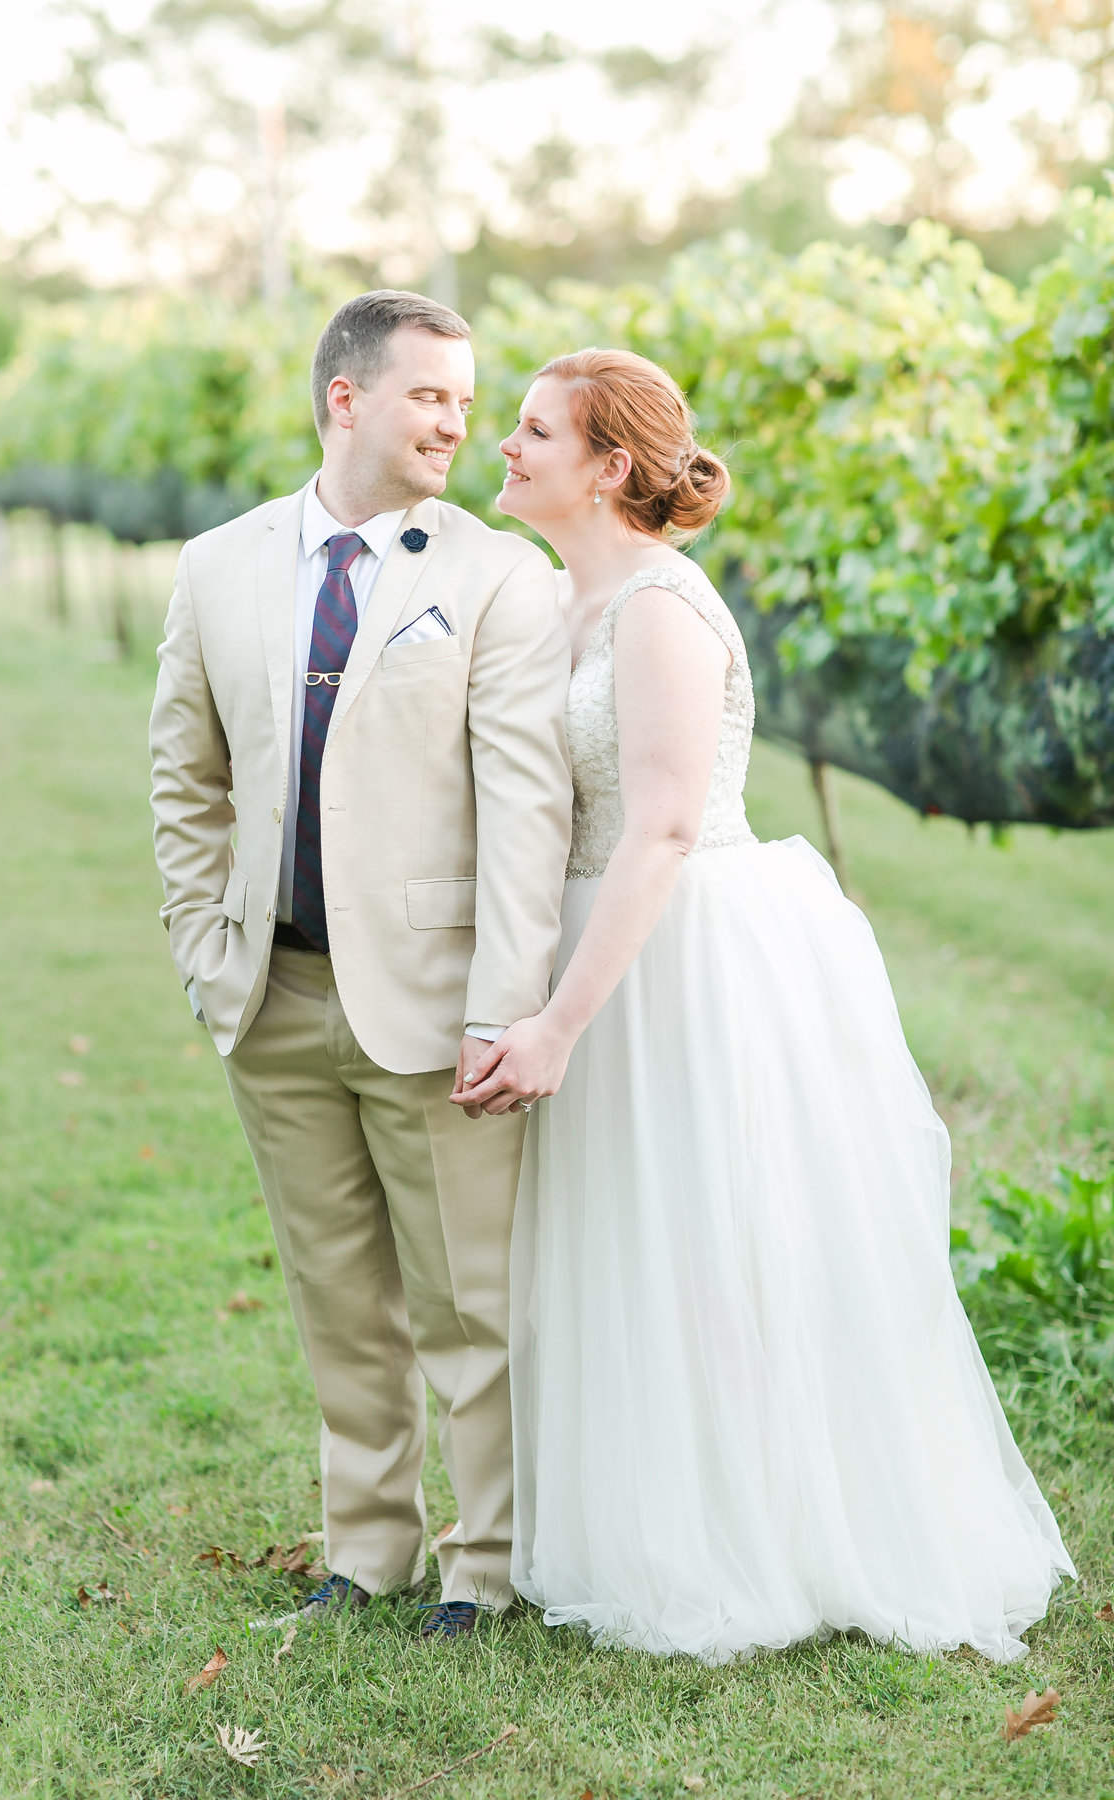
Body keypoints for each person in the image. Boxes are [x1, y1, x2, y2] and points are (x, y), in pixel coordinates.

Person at [454, 347, 1074, 1664]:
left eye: (532, 430)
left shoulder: (661, 611)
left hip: (686, 953)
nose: (503, 448)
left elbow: (666, 824)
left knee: (717, 1244)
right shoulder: (563, 597)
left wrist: (560, 1022)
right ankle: (648, 1519)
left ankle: (762, 1539)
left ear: (610, 465)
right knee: (634, 1243)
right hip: (599, 940)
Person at [149, 291, 573, 1640]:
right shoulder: (216, 566)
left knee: (469, 1302)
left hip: (440, 1007)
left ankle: (486, 1562)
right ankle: (367, 1548)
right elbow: (184, 775)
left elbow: (527, 810)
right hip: (269, 994)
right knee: (336, 1291)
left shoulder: (497, 575)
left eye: (467, 398)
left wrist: (503, 1004)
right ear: (348, 398)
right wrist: (203, 939)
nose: (462, 422)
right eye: (433, 395)